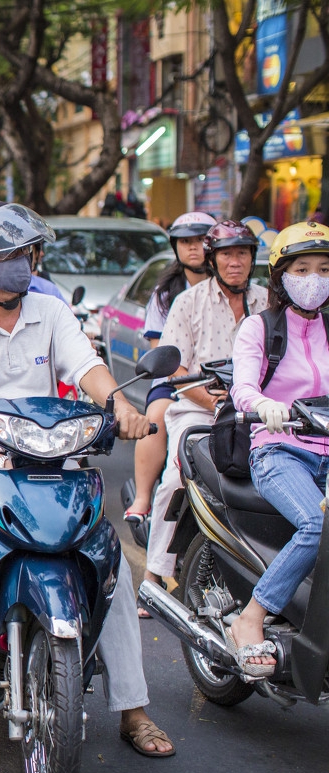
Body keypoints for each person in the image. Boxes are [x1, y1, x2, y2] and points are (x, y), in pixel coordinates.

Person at [0, 200, 173, 757]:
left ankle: (133, 707)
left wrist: (120, 405)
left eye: (26, 253)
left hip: (48, 454)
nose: (21, 264)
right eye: (6, 255)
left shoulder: (51, 312)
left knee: (108, 559)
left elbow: (87, 367)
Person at [224, 222, 329, 675]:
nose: (314, 279)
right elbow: (242, 389)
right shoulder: (259, 328)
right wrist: (266, 405)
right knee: (316, 524)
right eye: (302, 268)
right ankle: (251, 618)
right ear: (281, 275)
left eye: (324, 269)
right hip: (280, 448)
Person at [143, 221, 268, 584]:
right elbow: (175, 369)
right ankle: (154, 576)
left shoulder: (268, 301)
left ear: (251, 258)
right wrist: (214, 403)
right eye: (227, 253)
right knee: (176, 480)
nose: (235, 261)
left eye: (242, 252)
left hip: (257, 413)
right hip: (197, 408)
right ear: (213, 260)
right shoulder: (187, 302)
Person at [122, 212, 216, 557]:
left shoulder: (244, 290)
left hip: (227, 382)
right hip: (177, 380)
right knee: (157, 417)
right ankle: (144, 496)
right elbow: (161, 352)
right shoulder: (166, 293)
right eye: (186, 242)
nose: (195, 249)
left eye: (201, 241)